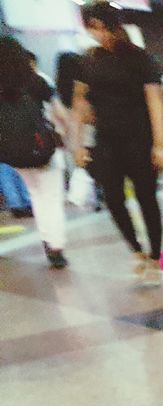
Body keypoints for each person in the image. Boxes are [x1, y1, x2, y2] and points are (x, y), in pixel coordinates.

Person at [70, 2, 163, 287]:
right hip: (106, 142)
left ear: (114, 25)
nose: (98, 34)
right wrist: (78, 145)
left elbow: (155, 103)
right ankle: (136, 250)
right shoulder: (87, 61)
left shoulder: (140, 59)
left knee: (147, 198)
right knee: (113, 197)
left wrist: (161, 144)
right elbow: (79, 104)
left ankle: (154, 254)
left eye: (102, 27)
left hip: (140, 138)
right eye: (92, 28)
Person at [0, 38, 69, 267]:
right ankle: (56, 247)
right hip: (43, 148)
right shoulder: (36, 81)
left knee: (37, 195)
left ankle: (47, 240)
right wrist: (68, 134)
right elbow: (59, 112)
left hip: (15, 154)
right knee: (51, 196)